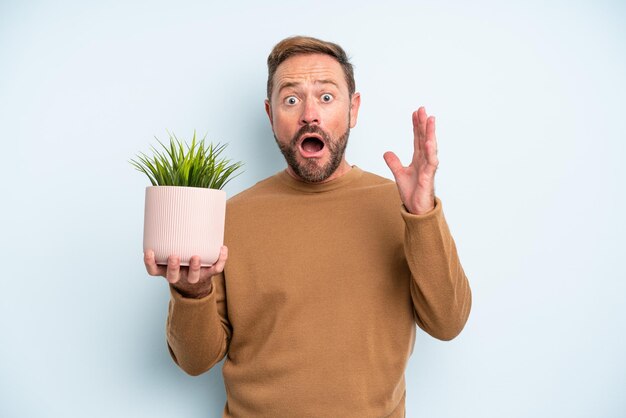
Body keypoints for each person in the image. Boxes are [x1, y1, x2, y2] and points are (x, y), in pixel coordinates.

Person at [144, 36, 471, 418]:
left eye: (327, 97)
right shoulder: (230, 216)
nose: (310, 115)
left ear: (354, 109)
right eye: (292, 99)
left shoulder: (401, 207)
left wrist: (422, 214)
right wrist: (191, 291)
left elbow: (448, 322)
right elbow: (195, 361)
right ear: (270, 114)